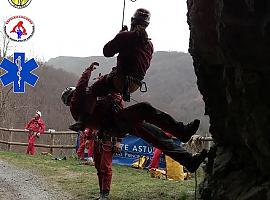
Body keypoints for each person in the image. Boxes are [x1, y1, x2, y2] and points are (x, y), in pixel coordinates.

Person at [61, 64, 207, 173]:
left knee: (158, 136)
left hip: (117, 123)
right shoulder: (78, 106)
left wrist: (110, 89)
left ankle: (188, 160)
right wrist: (88, 72)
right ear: (71, 97)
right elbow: (83, 88)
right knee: (145, 109)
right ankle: (182, 132)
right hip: (115, 122)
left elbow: (111, 101)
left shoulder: (83, 106)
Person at [69, 8, 154, 131]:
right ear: (147, 25)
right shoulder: (149, 45)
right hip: (135, 85)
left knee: (94, 90)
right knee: (112, 95)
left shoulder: (125, 36)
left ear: (132, 21)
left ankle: (82, 121)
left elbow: (107, 51)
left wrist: (119, 36)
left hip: (121, 80)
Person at [93, 129, 122, 200]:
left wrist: (118, 141)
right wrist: (88, 137)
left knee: (105, 168)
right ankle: (101, 192)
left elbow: (120, 124)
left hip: (108, 141)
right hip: (97, 141)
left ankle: (105, 194)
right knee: (98, 168)